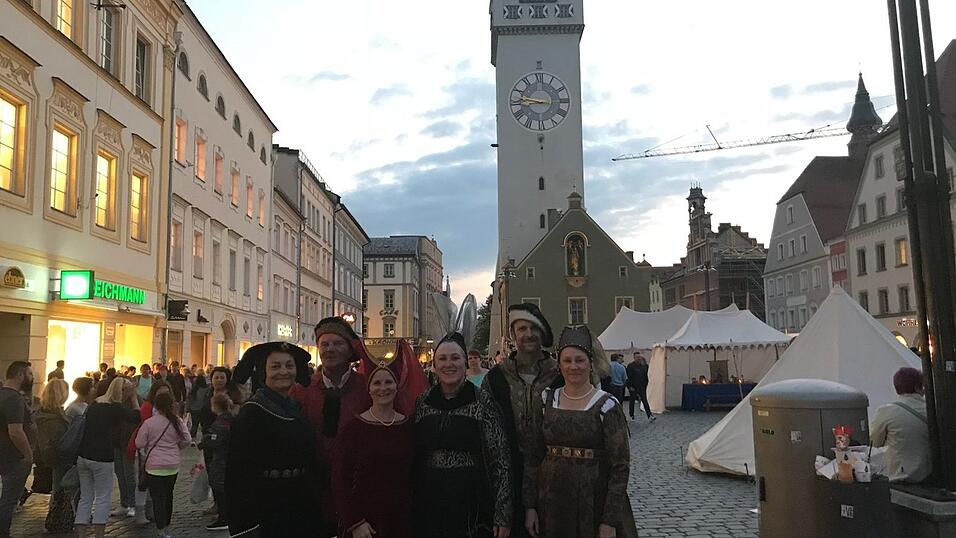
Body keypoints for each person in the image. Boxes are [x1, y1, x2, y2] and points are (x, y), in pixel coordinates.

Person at [524, 325, 638, 538]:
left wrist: (609, 520)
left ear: (590, 364)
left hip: (593, 501)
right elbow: (533, 456)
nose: (573, 366)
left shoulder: (607, 406)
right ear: (559, 364)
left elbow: (620, 466)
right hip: (552, 500)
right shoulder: (545, 401)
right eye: (567, 361)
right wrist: (530, 506)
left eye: (579, 360)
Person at [414, 332, 512, 538]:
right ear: (434, 365)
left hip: (471, 499)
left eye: (455, 358)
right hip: (429, 497)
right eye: (442, 358)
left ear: (465, 362)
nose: (449, 364)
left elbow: (500, 459)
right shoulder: (423, 402)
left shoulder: (483, 401)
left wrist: (502, 514)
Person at [227, 341, 321, 537]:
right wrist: (245, 526)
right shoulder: (252, 413)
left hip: (301, 505)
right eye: (275, 366)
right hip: (268, 508)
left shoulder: (296, 406)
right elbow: (236, 474)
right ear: (264, 372)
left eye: (289, 365)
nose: (283, 371)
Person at [289, 317, 372, 536]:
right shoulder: (302, 391)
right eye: (324, 344)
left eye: (337, 344)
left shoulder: (367, 389)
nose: (330, 349)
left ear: (349, 351)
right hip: (314, 494)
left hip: (357, 495)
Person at [484, 303, 562, 537]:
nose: (528, 334)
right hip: (511, 475)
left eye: (534, 328)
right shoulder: (497, 377)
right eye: (522, 328)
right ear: (512, 334)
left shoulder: (560, 374)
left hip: (553, 473)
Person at [332, 362, 414, 538]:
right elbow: (340, 478)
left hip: (401, 519)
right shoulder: (354, 428)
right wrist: (354, 522)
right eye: (377, 383)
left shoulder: (407, 426)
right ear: (369, 389)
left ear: (397, 386)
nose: (383, 388)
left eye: (388, 382)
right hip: (365, 522)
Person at [75, 377, 140, 538]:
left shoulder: (96, 403)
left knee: (85, 497)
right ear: (123, 392)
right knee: (103, 497)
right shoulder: (115, 408)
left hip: (84, 455)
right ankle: (99, 534)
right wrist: (133, 399)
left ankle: (81, 533)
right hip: (102, 457)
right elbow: (137, 417)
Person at [135, 392, 191, 538]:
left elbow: (139, 443)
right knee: (168, 496)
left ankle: (160, 530)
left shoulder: (149, 423)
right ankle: (166, 526)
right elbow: (187, 439)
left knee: (157, 499)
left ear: (156, 406)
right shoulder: (176, 421)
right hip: (172, 465)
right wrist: (176, 446)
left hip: (154, 466)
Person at [871, 367, 931, 483]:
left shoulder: (886, 411)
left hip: (899, 476)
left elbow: (875, 443)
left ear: (897, 388)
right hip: (930, 475)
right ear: (918, 387)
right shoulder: (933, 410)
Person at [0, 361, 35, 538]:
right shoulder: (13, 399)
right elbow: (16, 432)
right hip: (13, 457)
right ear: (20, 375)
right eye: (29, 374)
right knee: (8, 500)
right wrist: (28, 454)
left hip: (5, 453)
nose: (32, 378)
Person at [36, 379, 72, 533]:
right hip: (58, 456)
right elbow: (60, 440)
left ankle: (55, 518)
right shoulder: (56, 418)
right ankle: (56, 519)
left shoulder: (42, 413)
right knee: (59, 488)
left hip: (46, 455)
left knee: (57, 487)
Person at [198, 393, 234, 531]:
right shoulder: (231, 419)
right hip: (228, 459)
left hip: (221, 460)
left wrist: (205, 441)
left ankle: (223, 517)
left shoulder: (220, 423)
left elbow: (217, 441)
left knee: (219, 488)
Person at [626, 352, 654, 422]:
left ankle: (649, 415)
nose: (638, 358)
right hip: (633, 387)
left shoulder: (643, 366)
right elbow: (628, 377)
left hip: (642, 387)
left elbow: (645, 376)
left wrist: (646, 384)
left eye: (639, 357)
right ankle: (631, 415)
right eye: (637, 357)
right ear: (634, 358)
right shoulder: (630, 366)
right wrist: (629, 386)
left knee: (645, 401)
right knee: (632, 401)